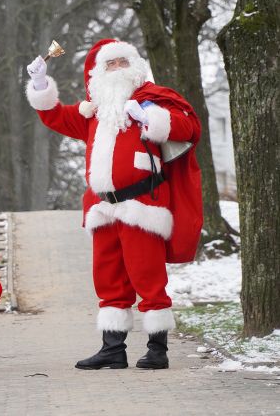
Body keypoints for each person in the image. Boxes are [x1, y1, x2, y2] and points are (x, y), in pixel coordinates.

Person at [25, 39, 202, 370]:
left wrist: (151, 115)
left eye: (123, 62)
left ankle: (157, 349)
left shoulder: (152, 99)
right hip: (103, 208)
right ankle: (112, 349)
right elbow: (55, 116)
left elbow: (189, 127)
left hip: (142, 205)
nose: (118, 69)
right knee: (108, 276)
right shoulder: (95, 111)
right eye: (111, 64)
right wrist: (39, 84)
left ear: (135, 67)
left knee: (148, 276)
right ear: (98, 72)